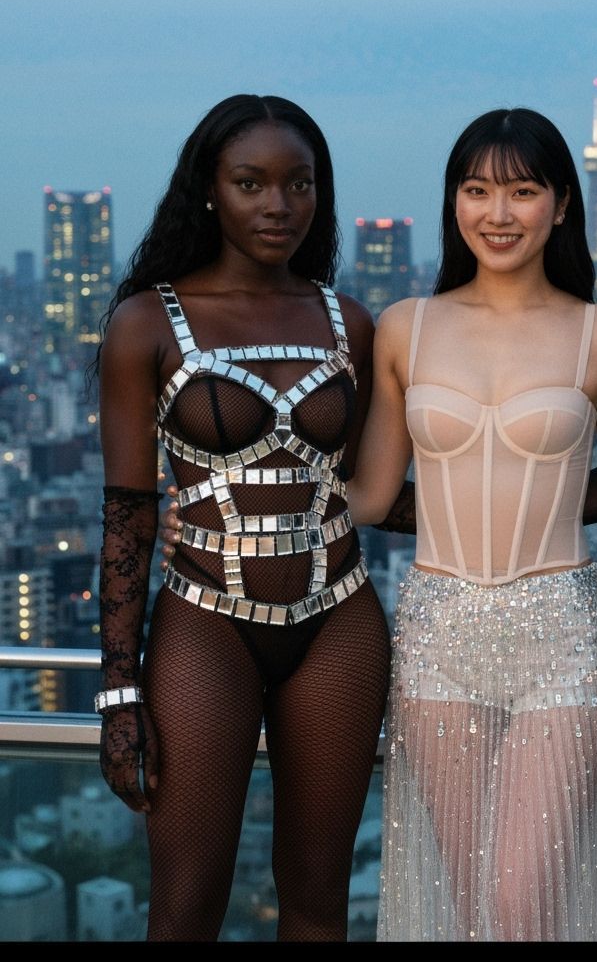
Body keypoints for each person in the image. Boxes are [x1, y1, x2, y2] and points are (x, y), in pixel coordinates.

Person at [344, 107, 597, 940]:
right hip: (438, 632)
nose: (499, 212)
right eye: (477, 190)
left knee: (523, 905)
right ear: (454, 203)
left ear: (562, 203)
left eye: (522, 191)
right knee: (472, 898)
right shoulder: (407, 327)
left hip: (564, 634)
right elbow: (372, 497)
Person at [94, 94, 391, 940]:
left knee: (317, 903)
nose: (278, 205)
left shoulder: (351, 323)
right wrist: (120, 695)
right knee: (186, 907)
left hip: (340, 615)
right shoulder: (148, 323)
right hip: (203, 620)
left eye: (300, 184)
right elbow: (126, 520)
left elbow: (376, 489)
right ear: (211, 190)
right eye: (251, 182)